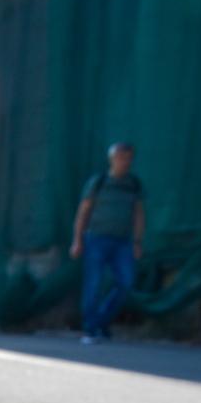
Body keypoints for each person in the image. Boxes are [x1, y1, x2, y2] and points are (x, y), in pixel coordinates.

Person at [70, 142, 146, 344]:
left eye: (128, 158)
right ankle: (90, 329)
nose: (125, 162)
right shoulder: (99, 182)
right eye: (121, 157)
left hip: (123, 242)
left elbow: (138, 214)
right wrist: (77, 239)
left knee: (126, 282)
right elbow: (83, 211)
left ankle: (102, 322)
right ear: (111, 159)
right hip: (96, 239)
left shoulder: (133, 184)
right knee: (93, 284)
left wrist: (137, 241)